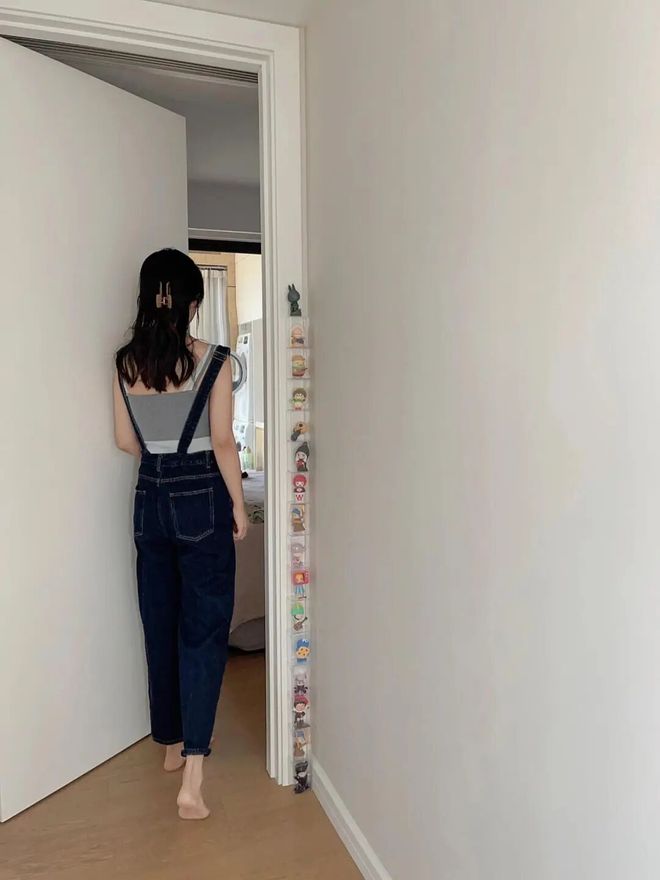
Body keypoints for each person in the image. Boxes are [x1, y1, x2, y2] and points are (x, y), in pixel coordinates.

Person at [113, 248, 248, 820]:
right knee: (203, 631)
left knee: (160, 624)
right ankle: (193, 776)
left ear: (148, 298)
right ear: (193, 303)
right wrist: (237, 506)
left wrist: (163, 461)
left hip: (149, 498)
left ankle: (170, 744)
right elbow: (222, 441)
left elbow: (126, 442)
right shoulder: (214, 360)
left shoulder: (126, 363)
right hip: (201, 501)